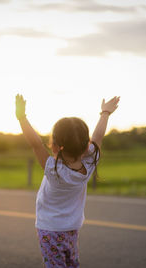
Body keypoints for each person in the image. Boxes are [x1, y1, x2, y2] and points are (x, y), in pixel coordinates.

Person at [15, 94, 120, 267]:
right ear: (87, 145)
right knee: (72, 261)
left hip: (49, 229)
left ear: (55, 146)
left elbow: (35, 143)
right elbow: (99, 136)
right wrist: (105, 113)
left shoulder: (53, 169)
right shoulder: (89, 164)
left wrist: (21, 117)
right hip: (72, 227)